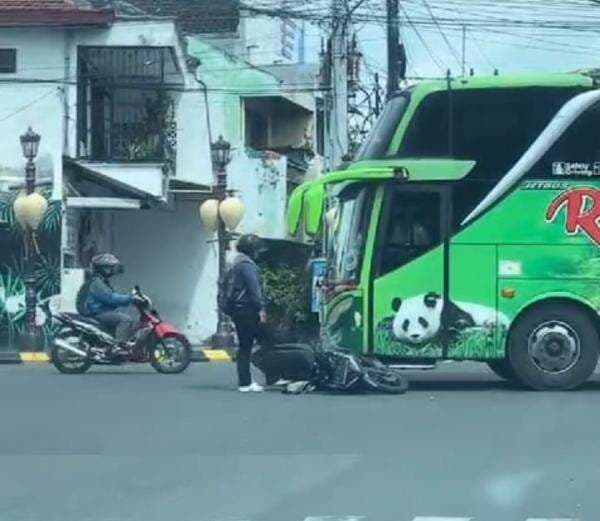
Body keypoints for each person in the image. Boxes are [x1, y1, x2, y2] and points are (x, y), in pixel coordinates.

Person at [229, 234, 269, 392]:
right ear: (252, 250)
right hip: (248, 309)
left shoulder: (236, 263)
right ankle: (245, 382)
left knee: (247, 345)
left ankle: (246, 380)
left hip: (239, 309)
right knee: (253, 344)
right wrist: (261, 308)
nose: (258, 253)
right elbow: (254, 290)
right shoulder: (247, 265)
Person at [83, 253, 134, 348]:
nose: (111, 271)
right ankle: (118, 347)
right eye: (108, 268)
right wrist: (129, 298)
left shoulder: (101, 281)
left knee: (125, 313)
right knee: (126, 320)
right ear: (101, 269)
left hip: (102, 310)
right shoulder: (97, 283)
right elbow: (110, 298)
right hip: (99, 312)